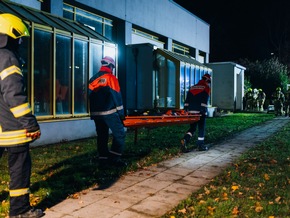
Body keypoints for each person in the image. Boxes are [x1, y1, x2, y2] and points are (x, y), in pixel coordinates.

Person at [0, 14, 44, 217]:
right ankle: (19, 210)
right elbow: (14, 96)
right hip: (12, 128)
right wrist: (31, 123)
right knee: (19, 168)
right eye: (18, 38)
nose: (20, 43)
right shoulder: (7, 58)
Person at [88, 56, 127, 167]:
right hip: (110, 113)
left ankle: (103, 160)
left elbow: (88, 96)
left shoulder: (92, 79)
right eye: (113, 67)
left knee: (102, 136)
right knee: (120, 134)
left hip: (96, 114)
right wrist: (121, 115)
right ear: (111, 66)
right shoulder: (111, 78)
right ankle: (114, 159)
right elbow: (117, 97)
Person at [181, 73, 211, 152]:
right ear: (207, 80)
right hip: (200, 111)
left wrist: (186, 109)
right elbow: (205, 101)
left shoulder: (192, 87)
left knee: (192, 128)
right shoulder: (206, 87)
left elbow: (187, 100)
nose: (209, 83)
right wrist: (204, 111)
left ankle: (185, 140)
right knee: (201, 127)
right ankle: (200, 145)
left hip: (191, 111)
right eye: (209, 81)